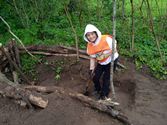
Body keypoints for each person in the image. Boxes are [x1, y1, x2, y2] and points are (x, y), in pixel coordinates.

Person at [83, 24, 119, 100]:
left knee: (106, 78)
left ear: (96, 33)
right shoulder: (90, 45)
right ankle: (98, 89)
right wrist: (91, 68)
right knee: (95, 76)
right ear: (86, 37)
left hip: (111, 61)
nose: (91, 36)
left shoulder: (106, 39)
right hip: (101, 62)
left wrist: (104, 56)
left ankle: (104, 95)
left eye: (92, 34)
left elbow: (115, 49)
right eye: (88, 35)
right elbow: (92, 57)